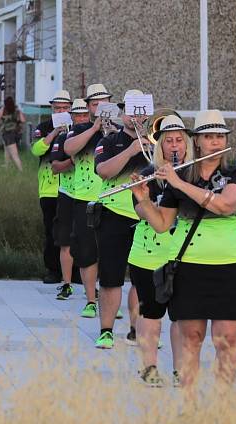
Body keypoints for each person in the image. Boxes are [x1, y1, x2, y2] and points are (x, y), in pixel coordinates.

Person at [132, 110, 236, 395]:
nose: (215, 142)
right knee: (191, 338)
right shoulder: (181, 175)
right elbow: (162, 224)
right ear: (196, 141)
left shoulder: (235, 173)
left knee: (227, 339)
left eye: (220, 136)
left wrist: (178, 184)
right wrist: (145, 201)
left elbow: (225, 205)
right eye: (209, 137)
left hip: (231, 265)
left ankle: (222, 407)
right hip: (189, 266)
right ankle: (188, 404)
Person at [127, 115, 190, 387]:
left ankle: (179, 370)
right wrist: (146, 201)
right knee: (151, 314)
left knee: (181, 317)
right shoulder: (147, 174)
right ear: (160, 147)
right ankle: (149, 367)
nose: (174, 147)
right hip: (149, 254)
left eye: (179, 141)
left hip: (185, 254)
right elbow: (140, 211)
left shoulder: (196, 175)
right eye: (169, 142)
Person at [92, 89, 153, 349]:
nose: (135, 115)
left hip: (146, 218)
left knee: (143, 279)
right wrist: (130, 152)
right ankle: (106, 330)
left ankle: (136, 330)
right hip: (113, 216)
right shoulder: (109, 141)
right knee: (111, 277)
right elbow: (103, 171)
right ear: (123, 112)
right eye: (130, 109)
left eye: (140, 110)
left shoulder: (157, 144)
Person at [63, 83, 112, 318]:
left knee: (110, 253)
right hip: (84, 199)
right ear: (89, 107)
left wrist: (110, 130)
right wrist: (94, 129)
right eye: (95, 104)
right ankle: (91, 300)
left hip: (112, 199)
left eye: (104, 102)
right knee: (87, 252)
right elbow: (68, 148)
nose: (100, 107)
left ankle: (108, 300)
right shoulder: (80, 128)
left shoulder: (117, 129)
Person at [31, 89, 72, 284]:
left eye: (65, 108)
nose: (61, 111)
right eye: (57, 108)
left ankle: (76, 272)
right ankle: (53, 270)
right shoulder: (43, 127)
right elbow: (36, 149)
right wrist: (55, 132)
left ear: (71, 109)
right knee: (51, 232)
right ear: (52, 109)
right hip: (48, 188)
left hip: (73, 188)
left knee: (74, 231)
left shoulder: (78, 127)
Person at [50, 99, 90, 300]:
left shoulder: (96, 136)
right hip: (68, 193)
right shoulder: (65, 136)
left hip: (89, 195)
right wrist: (71, 161)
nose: (82, 118)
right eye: (78, 115)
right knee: (65, 241)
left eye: (85, 115)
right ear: (72, 117)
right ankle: (66, 284)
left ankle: (91, 288)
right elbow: (55, 167)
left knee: (89, 243)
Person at [0, 96, 26, 171]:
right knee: (6, 149)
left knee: (14, 154)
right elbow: (23, 120)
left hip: (8, 134)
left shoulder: (3, 109)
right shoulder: (17, 110)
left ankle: (21, 170)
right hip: (17, 134)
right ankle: (6, 166)